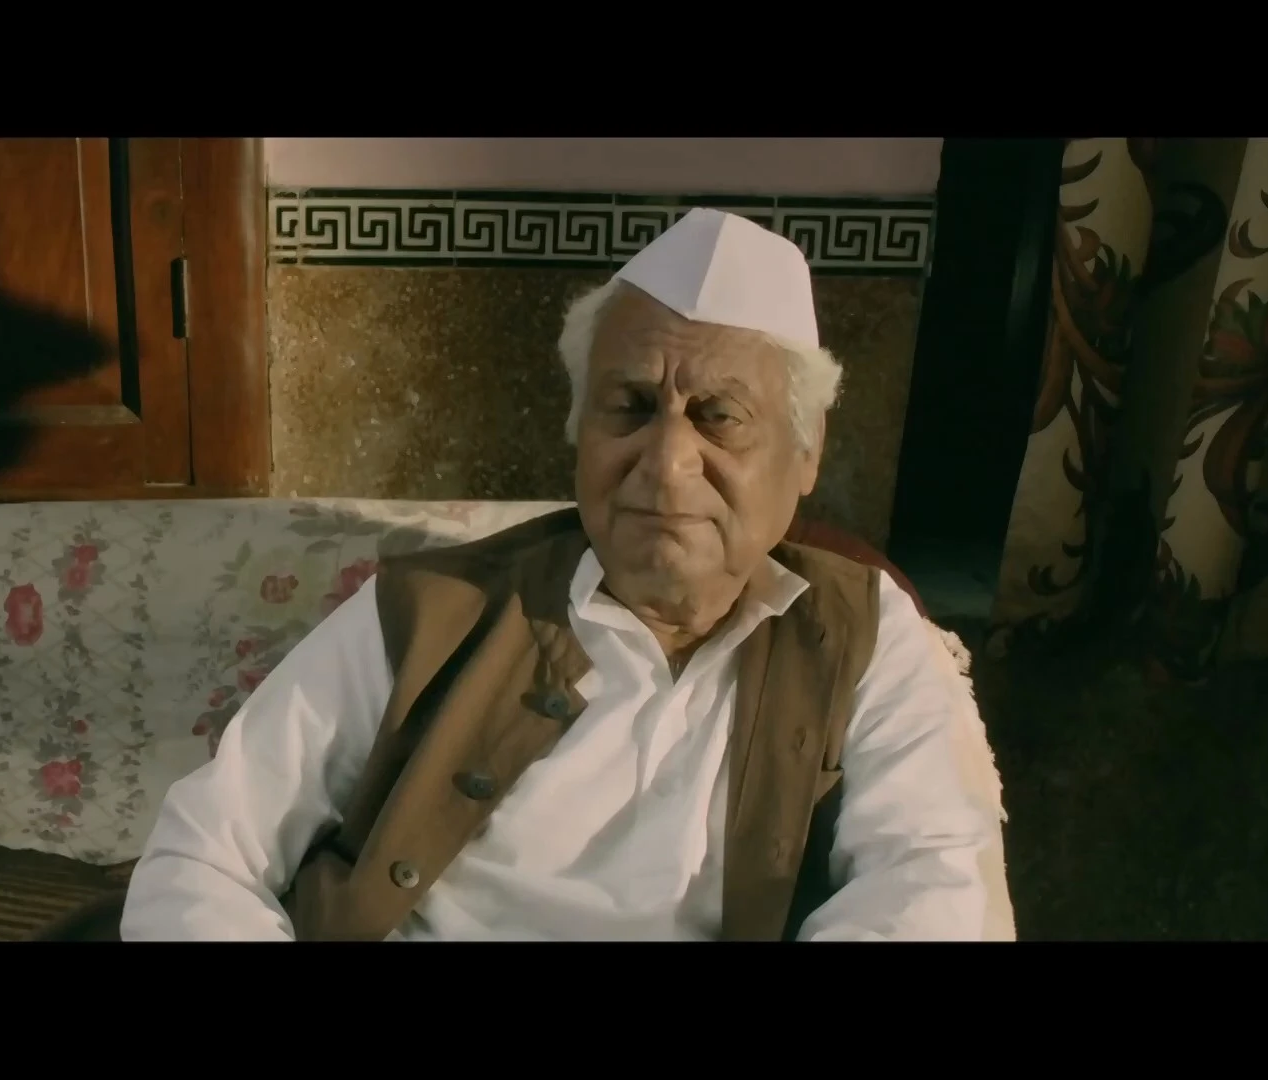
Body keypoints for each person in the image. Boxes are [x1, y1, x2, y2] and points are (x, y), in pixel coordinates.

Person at [119, 208, 1007, 942]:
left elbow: (932, 891)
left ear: (805, 454)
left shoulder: (866, 636)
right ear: (580, 431)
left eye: (719, 416)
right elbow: (205, 853)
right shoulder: (434, 608)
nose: (666, 462)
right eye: (629, 407)